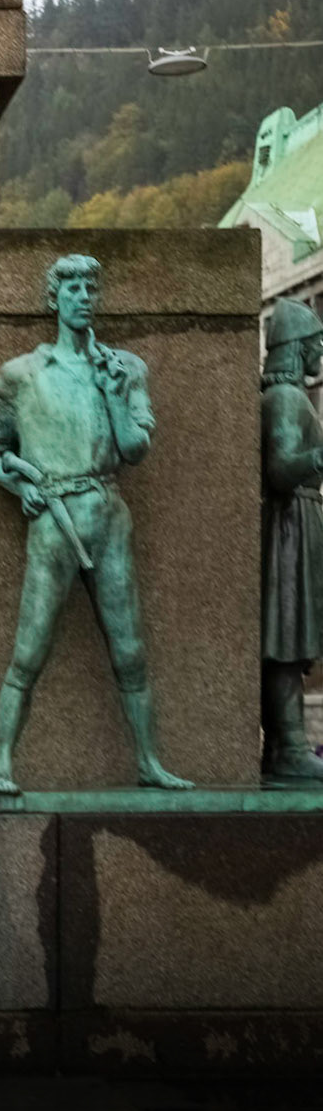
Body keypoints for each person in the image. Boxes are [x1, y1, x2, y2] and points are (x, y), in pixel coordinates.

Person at [0, 254, 192, 796]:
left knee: (130, 650)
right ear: (54, 298)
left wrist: (115, 393)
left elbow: (134, 450)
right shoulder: (22, 374)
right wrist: (21, 486)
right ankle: (1, 766)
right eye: (71, 287)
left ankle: (149, 762)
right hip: (53, 520)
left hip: (107, 514)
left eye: (90, 287)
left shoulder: (126, 367)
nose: (82, 296)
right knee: (29, 651)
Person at [259, 299, 323, 785]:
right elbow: (281, 469)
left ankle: (286, 745)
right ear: (297, 348)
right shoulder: (285, 400)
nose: (321, 350)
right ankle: (291, 747)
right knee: (287, 633)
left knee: (294, 633)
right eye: (316, 342)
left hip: (298, 520)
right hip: (289, 523)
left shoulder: (291, 397)